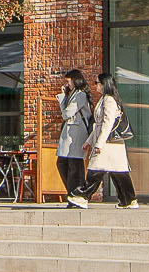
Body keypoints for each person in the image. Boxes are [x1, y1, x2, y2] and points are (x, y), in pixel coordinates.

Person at [82, 77, 138, 209]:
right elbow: (99, 125)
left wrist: (99, 144)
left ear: (104, 84)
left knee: (96, 170)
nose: (95, 85)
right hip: (110, 143)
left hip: (108, 142)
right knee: (118, 172)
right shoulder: (105, 99)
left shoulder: (109, 100)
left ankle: (82, 196)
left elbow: (107, 123)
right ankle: (128, 199)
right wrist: (89, 141)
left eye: (97, 83)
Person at [55, 68, 93, 209]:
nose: (67, 84)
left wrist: (62, 99)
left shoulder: (80, 95)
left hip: (77, 134)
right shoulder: (74, 94)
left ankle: (76, 196)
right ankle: (73, 194)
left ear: (75, 80)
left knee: (74, 166)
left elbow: (67, 114)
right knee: (63, 163)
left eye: (69, 81)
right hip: (70, 133)